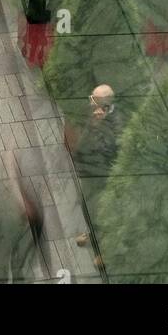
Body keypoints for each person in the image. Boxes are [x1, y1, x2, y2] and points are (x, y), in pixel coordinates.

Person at [0, 153, 47, 284]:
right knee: (9, 266)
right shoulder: (4, 199)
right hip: (16, 221)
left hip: (18, 222)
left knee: (5, 265)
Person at [74, 85, 121, 251]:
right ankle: (92, 234)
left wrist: (98, 126)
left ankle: (103, 250)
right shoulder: (96, 115)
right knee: (86, 205)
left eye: (94, 100)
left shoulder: (115, 125)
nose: (91, 102)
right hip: (90, 173)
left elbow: (107, 152)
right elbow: (83, 145)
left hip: (102, 178)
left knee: (100, 212)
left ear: (106, 105)